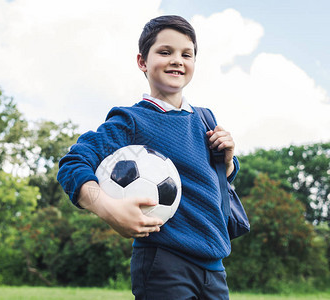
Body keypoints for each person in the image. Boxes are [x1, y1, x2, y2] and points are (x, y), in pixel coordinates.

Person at [57, 15, 239, 299]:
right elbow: (73, 163)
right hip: (164, 264)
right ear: (142, 61)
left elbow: (209, 181)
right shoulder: (131, 120)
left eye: (186, 54)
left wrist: (227, 162)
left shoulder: (205, 118)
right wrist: (108, 209)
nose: (177, 60)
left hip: (215, 267)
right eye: (165, 52)